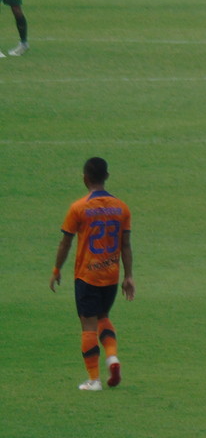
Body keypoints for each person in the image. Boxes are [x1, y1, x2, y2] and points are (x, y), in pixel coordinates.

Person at [49, 157, 134, 391]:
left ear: (85, 178)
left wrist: (56, 270)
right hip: (111, 276)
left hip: (87, 277)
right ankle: (113, 358)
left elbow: (65, 243)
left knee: (88, 326)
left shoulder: (79, 207)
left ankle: (94, 380)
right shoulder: (122, 207)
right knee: (103, 317)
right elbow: (125, 245)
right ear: (107, 176)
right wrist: (128, 276)